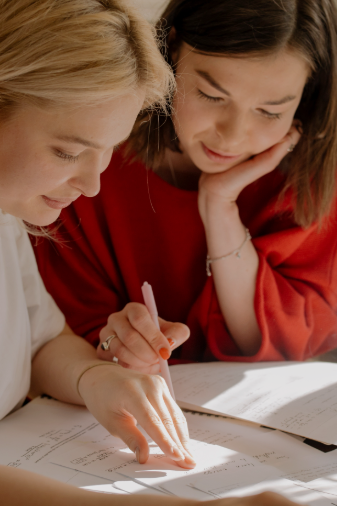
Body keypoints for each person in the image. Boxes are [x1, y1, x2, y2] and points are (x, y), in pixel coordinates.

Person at [34, 0, 337, 373]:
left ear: (307, 97)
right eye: (212, 95)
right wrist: (117, 348)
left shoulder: (315, 181)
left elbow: (285, 346)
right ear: (171, 48)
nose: (231, 136)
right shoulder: (93, 161)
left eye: (270, 112)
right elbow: (59, 336)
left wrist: (219, 206)